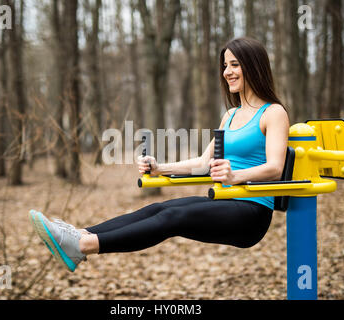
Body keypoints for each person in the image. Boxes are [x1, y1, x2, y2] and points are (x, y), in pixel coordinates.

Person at [29, 37, 290, 272]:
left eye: (235, 65)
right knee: (158, 207)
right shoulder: (230, 115)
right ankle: (77, 235)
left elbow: (275, 168)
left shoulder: (273, 113)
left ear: (253, 66)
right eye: (225, 65)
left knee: (172, 217)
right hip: (227, 199)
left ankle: (84, 246)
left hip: (252, 212)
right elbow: (202, 162)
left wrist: (235, 175)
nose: (227, 72)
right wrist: (160, 168)